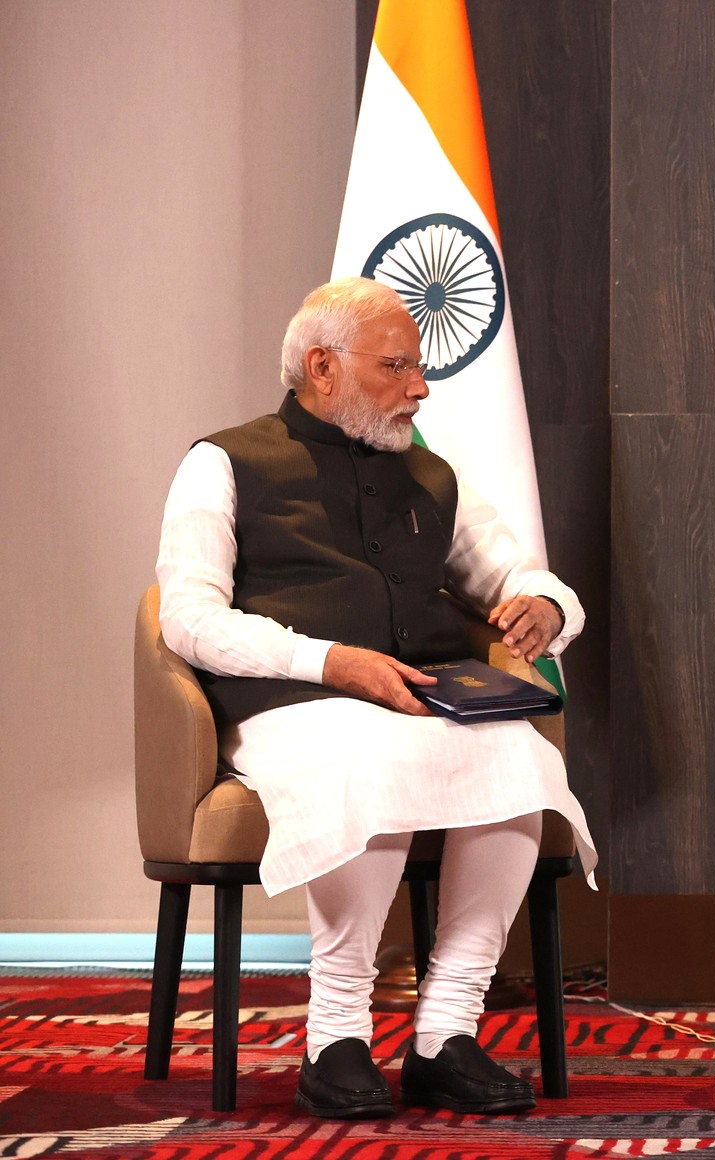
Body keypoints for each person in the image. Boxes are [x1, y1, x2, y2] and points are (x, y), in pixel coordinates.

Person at [156, 277, 599, 1119]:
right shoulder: (222, 462)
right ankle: (336, 1038)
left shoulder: (432, 474)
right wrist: (331, 664)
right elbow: (188, 618)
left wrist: (547, 606)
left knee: (520, 759)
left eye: (419, 367)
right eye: (396, 366)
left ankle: (445, 1033)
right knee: (369, 756)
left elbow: (517, 573)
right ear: (322, 367)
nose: (420, 388)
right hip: (288, 705)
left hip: (421, 702)